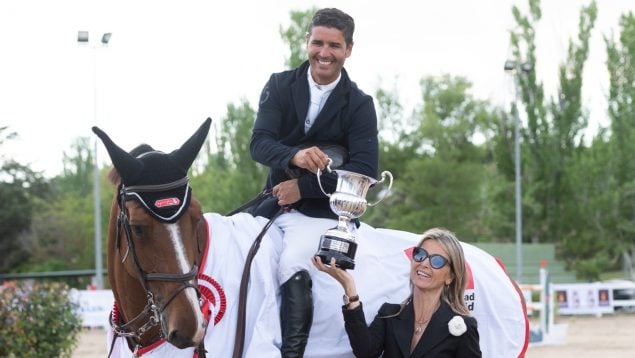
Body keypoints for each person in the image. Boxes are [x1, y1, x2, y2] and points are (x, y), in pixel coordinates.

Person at [249, 7, 379, 357]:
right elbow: (259, 143)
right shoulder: (279, 84)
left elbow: (364, 170)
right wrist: (294, 156)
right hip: (273, 201)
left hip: (327, 213)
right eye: (318, 42)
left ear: (348, 49)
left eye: (334, 46)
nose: (324, 53)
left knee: (293, 260)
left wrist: (303, 188)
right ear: (307, 42)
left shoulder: (360, 104)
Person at [313, 228, 482, 357]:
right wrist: (349, 286)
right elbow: (365, 352)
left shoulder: (464, 327)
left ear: (450, 277)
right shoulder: (389, 314)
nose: (424, 263)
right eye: (420, 254)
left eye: (436, 261)